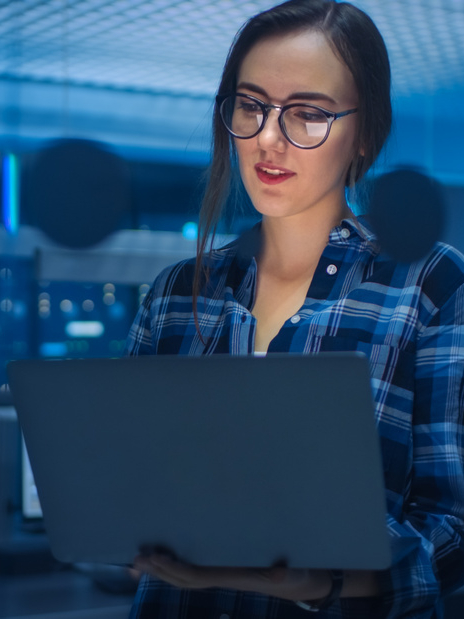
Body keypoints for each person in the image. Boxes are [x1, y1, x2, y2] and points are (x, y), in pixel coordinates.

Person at [125, 0, 464, 617]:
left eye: (308, 114)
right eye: (251, 106)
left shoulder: (430, 285)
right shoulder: (176, 295)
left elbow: (453, 530)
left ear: (364, 133)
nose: (269, 140)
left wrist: (319, 579)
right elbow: (129, 494)